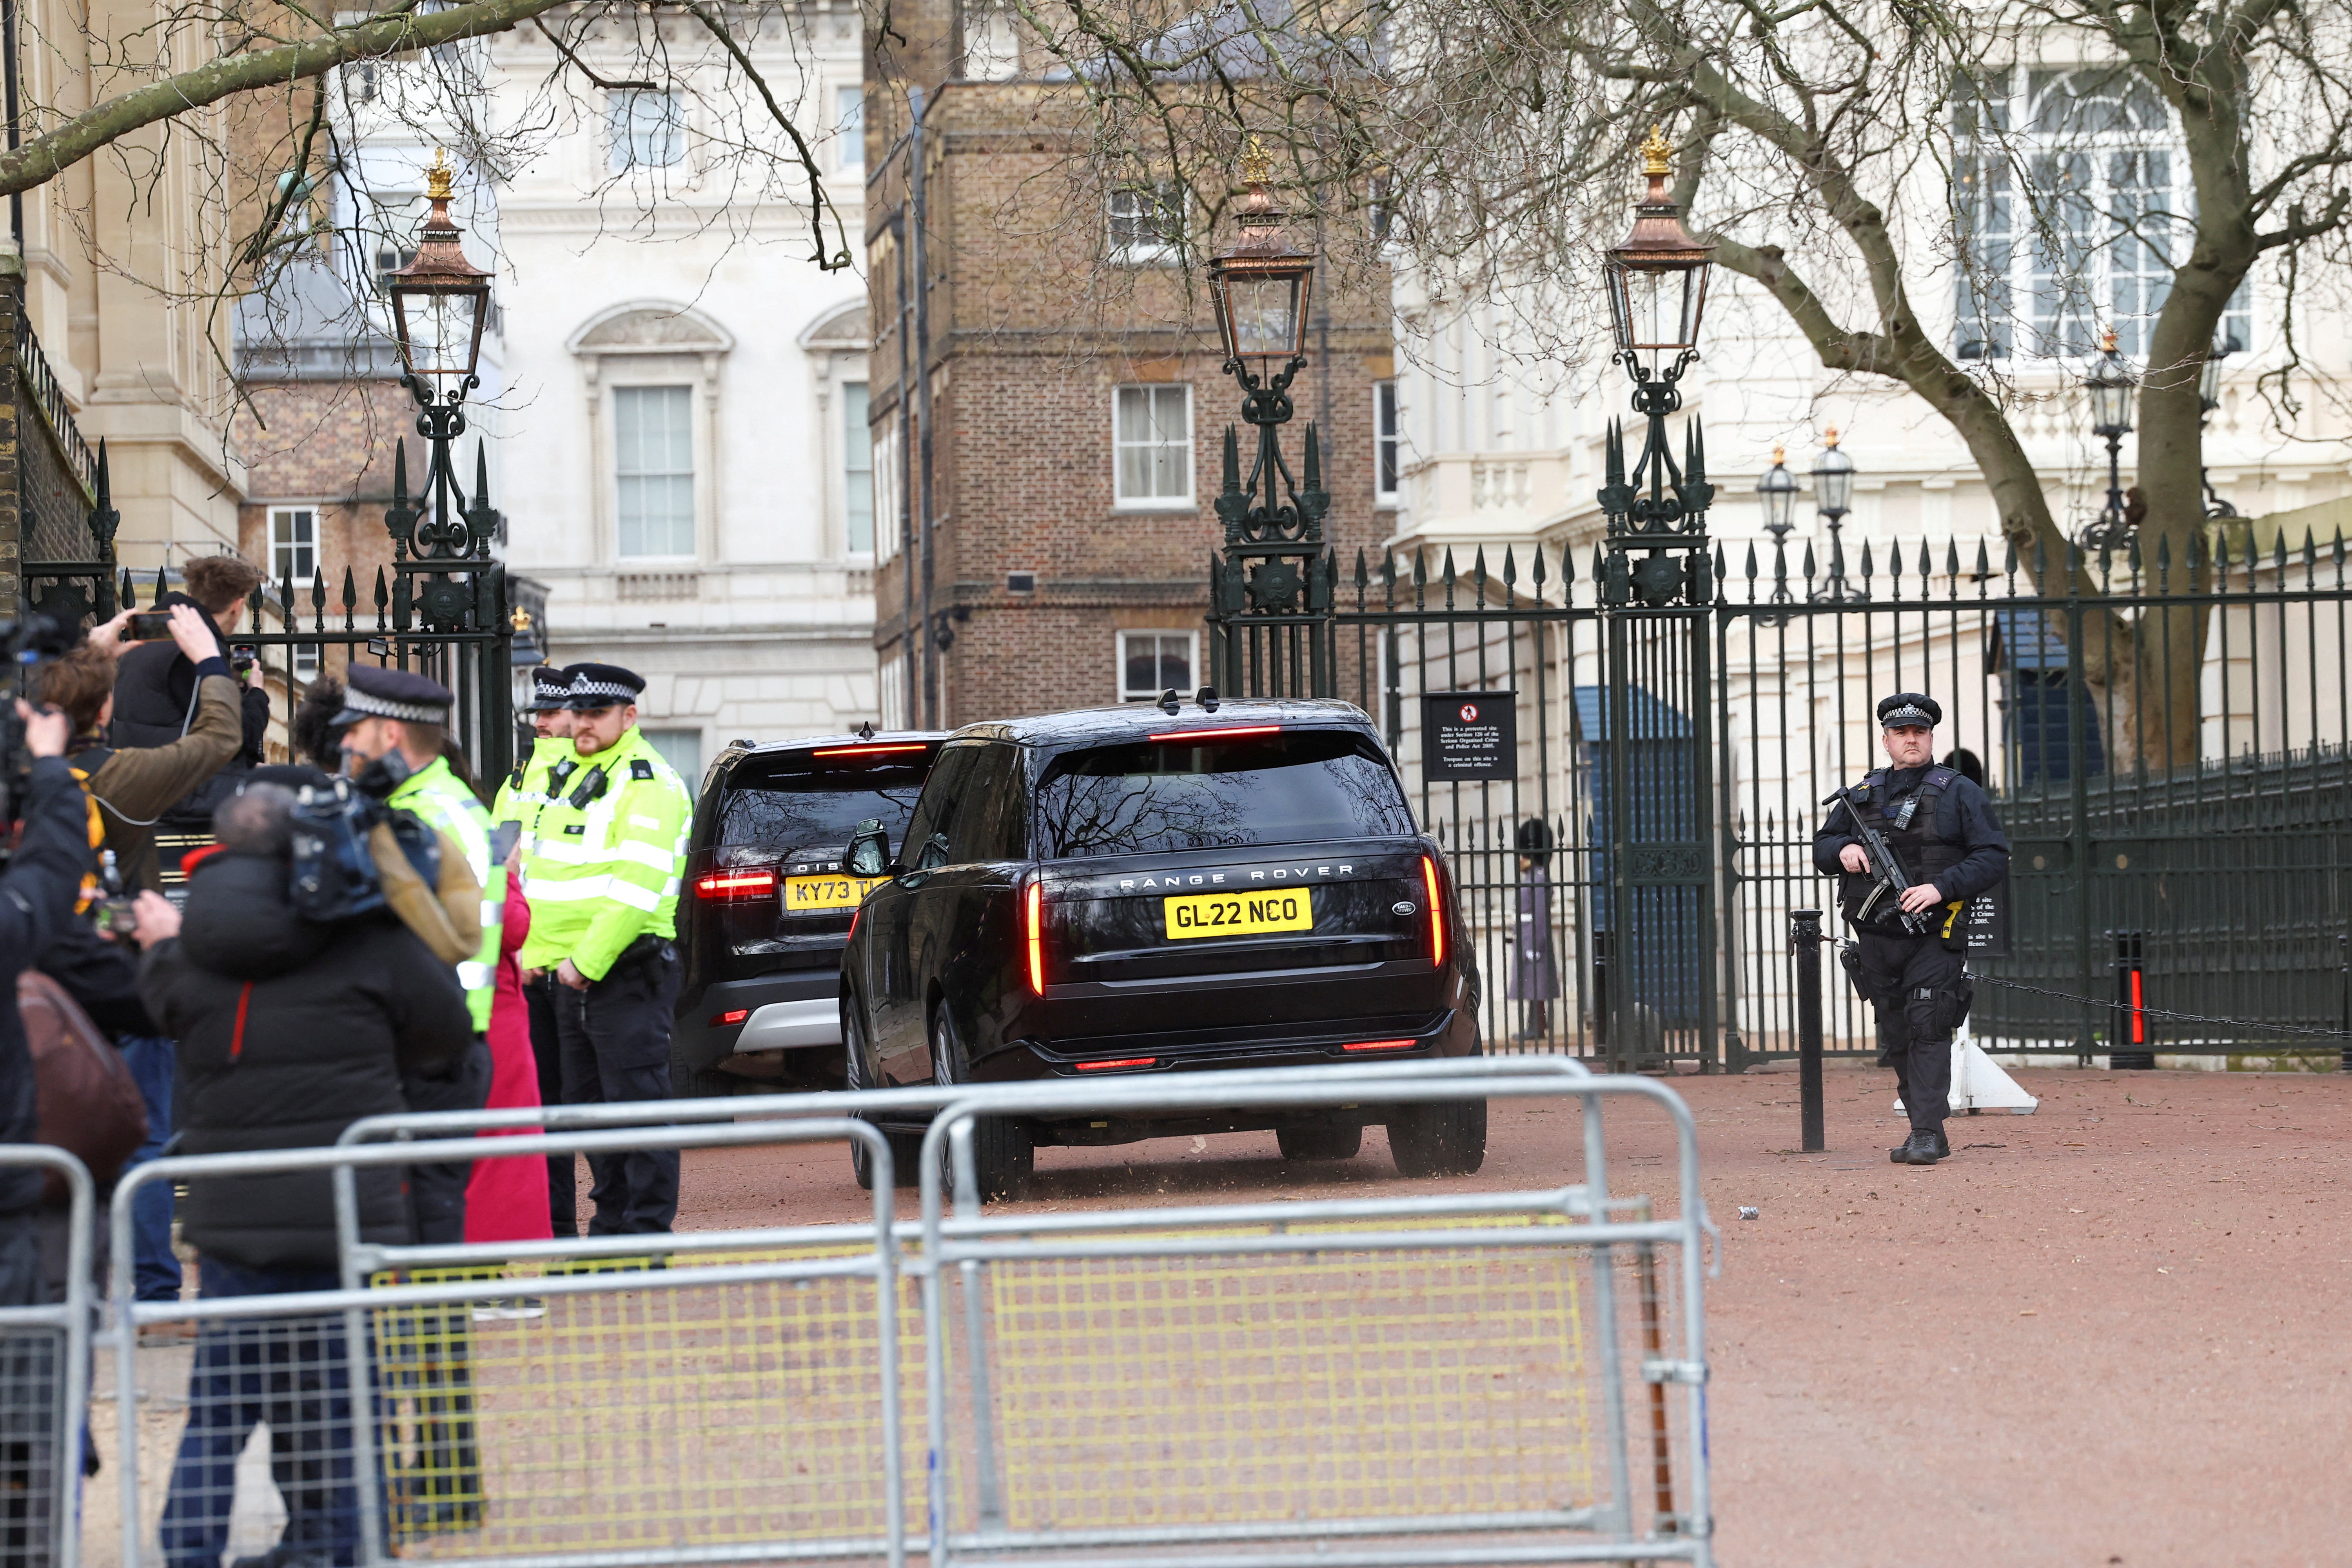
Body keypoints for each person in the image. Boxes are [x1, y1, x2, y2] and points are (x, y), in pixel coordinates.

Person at [134, 782, 470, 1568]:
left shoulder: (191, 944)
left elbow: (158, 1006)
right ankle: (338, 1548)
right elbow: (447, 1031)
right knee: (342, 1405)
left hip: (231, 1226)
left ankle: (191, 1553)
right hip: (342, 1216)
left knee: (219, 1411)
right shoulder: (366, 935)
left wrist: (157, 946)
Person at [31, 604, 249, 1316]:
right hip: (120, 971)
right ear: (107, 706)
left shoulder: (21, 779)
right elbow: (219, 738)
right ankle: (154, 1295)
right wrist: (209, 660)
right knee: (150, 1137)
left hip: (34, 982)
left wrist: (83, 658)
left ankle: (51, 1291)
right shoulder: (119, 777)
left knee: (36, 1133)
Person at [517, 663, 693, 1234]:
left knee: (637, 1113)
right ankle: (610, 1234)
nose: (584, 724)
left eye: (597, 714)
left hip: (626, 969)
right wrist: (541, 958)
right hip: (570, 975)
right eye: (581, 713)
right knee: (590, 1118)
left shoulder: (648, 782)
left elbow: (636, 888)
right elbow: (546, 878)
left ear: (629, 715)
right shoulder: (572, 775)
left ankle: (644, 1239)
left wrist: (582, 963)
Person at [330, 667, 498, 1246]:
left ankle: (430, 1338)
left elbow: (443, 936)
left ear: (390, 735)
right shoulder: (412, 804)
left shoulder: (435, 814)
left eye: (356, 731)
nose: (346, 744)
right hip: (428, 1038)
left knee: (424, 1217)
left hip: (435, 1046)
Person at [1814, 693, 2011, 1166]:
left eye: (1919, 733)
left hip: (1934, 934)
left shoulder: (1959, 791)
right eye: (1901, 733)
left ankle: (1925, 1131)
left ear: (1930, 739)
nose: (1911, 740)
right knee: (1898, 1033)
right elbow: (1821, 847)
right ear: (1886, 740)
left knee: (1929, 1026)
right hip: (1877, 937)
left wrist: (1941, 888)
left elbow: (1992, 856)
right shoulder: (1862, 794)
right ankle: (1927, 1130)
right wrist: (1842, 848)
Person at [497, 666, 579, 1233]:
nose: (543, 725)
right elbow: (497, 869)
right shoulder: (517, 781)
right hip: (528, 969)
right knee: (546, 1107)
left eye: (553, 714)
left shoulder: (600, 780)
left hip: (580, 965)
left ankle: (608, 1234)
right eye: (539, 716)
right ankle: (559, 1229)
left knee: (587, 1107)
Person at [1507, 817, 1560, 1042]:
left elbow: (1538, 915)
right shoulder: (1533, 877)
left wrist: (1535, 944)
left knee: (1536, 987)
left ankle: (1537, 1027)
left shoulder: (1538, 878)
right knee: (1532, 987)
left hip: (1533, 939)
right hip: (1527, 937)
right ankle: (1536, 1025)